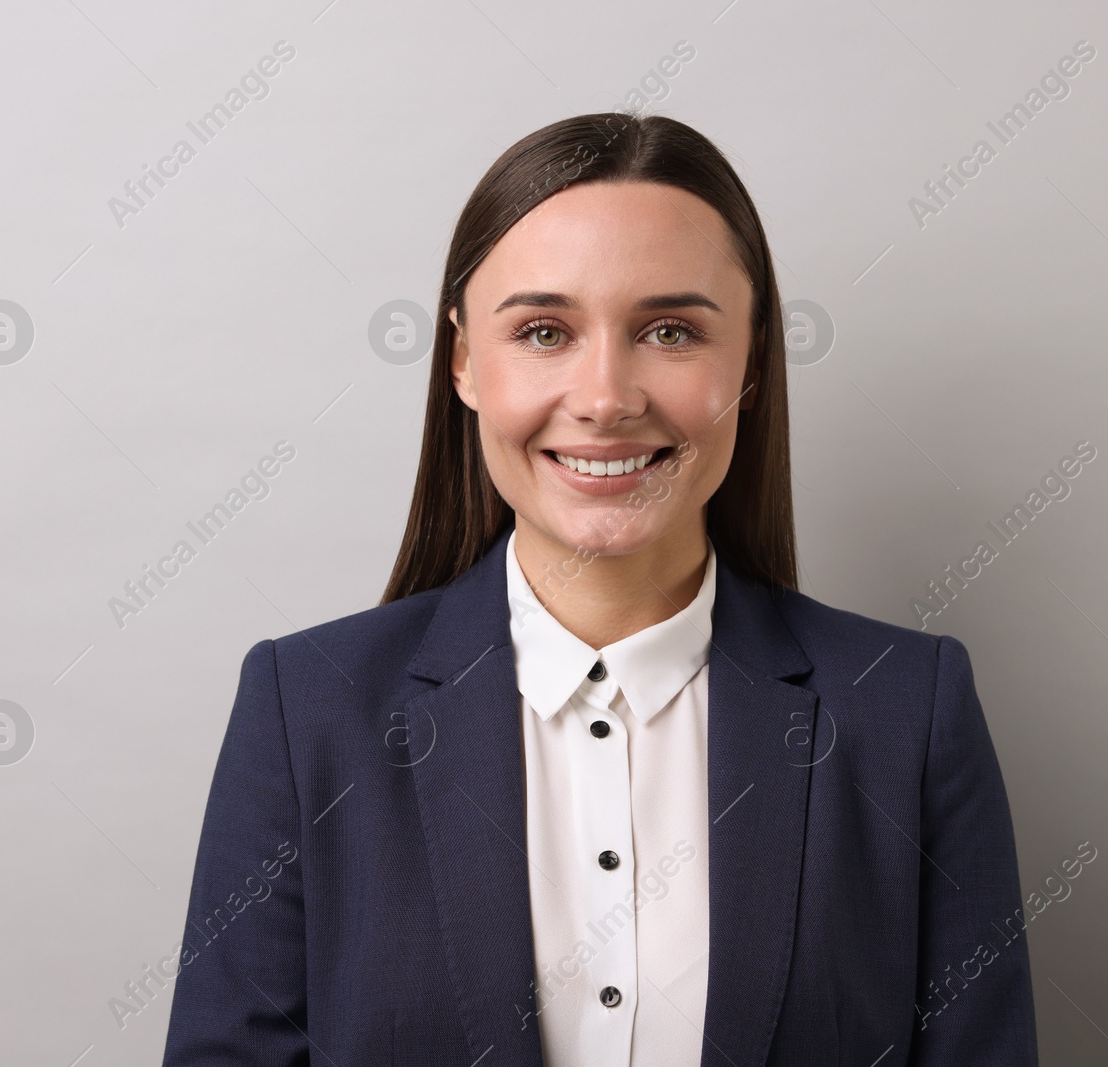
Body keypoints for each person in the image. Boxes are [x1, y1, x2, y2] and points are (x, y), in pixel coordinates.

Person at [160, 111, 1038, 1067]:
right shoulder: (308, 710)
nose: (607, 396)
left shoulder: (909, 711)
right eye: (544, 330)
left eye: (671, 329)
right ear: (463, 362)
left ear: (749, 363)